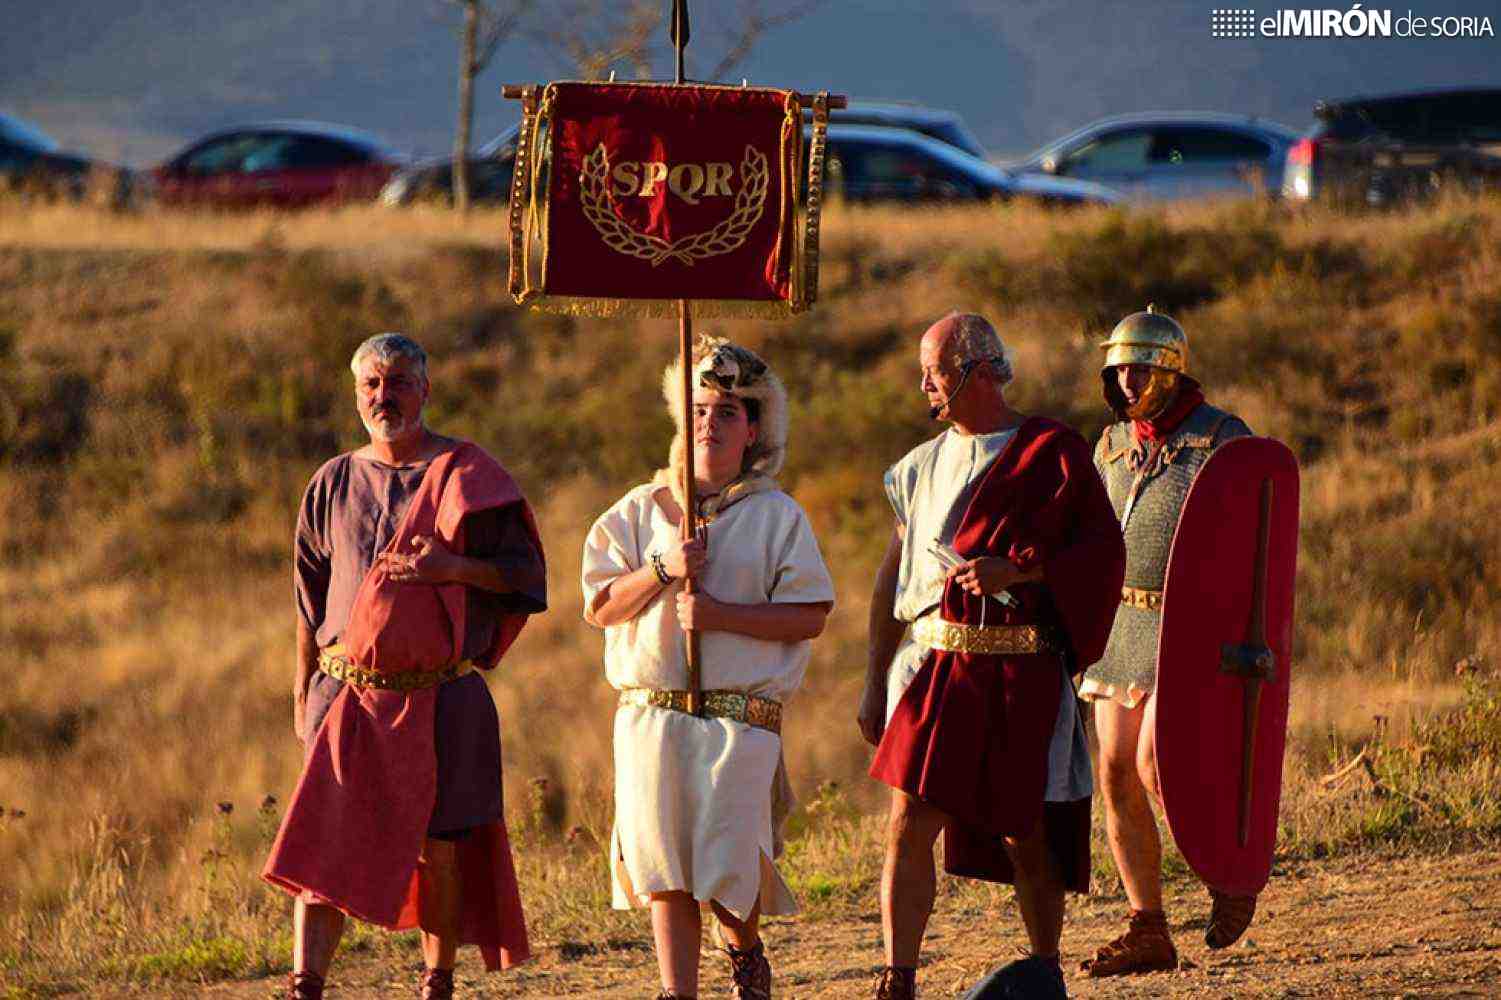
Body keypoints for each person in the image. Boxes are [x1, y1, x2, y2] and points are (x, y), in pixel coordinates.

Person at [262, 333, 547, 1000]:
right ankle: (307, 986)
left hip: (441, 694)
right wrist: (304, 694)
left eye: (396, 382)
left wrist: (452, 568)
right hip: (347, 695)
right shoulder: (332, 480)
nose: (382, 397)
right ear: (356, 393)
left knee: (442, 846)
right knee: (318, 842)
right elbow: (308, 602)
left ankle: (436, 982)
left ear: (426, 390)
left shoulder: (469, 473)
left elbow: (523, 577)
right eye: (370, 385)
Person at [859, 312, 1126, 1000]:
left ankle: (1044, 970)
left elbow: (1100, 555)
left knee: (1025, 829)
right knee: (908, 819)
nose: (924, 385)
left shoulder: (1052, 453)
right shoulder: (917, 468)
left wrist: (1022, 571)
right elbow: (894, 577)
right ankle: (898, 977)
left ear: (978, 372)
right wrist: (872, 681)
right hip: (936, 666)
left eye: (935, 372)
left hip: (1021, 665)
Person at [581, 336, 835, 1000]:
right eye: (698, 409)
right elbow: (600, 607)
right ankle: (678, 992)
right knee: (662, 860)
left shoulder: (776, 516)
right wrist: (663, 569)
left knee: (725, 862)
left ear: (753, 428)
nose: (709, 424)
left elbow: (808, 613)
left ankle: (744, 952)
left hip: (737, 718)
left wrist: (719, 613)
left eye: (726, 412)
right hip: (651, 713)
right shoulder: (639, 511)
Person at [1078, 306, 1255, 977]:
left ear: (1168, 366)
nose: (1126, 381)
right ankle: (1146, 924)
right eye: (1117, 368)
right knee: (1115, 772)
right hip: (1122, 625)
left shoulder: (1222, 439)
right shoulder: (1111, 444)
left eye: (1139, 367)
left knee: (1159, 766)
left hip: (1189, 624)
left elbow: (1248, 540)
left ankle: (1226, 873)